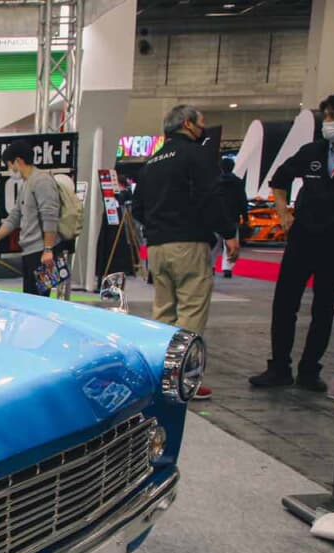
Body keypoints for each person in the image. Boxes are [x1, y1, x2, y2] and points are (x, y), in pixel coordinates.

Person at [250, 91, 334, 392]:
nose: (327, 122)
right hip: (303, 238)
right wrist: (283, 213)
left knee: (324, 310)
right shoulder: (313, 151)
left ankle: (310, 369)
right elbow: (279, 180)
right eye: (325, 116)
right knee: (284, 304)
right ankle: (279, 367)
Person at [132, 104, 238, 399]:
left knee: (163, 313)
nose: (203, 128)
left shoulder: (151, 162)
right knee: (191, 313)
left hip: (157, 247)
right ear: (188, 124)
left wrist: (158, 226)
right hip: (189, 243)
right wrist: (228, 232)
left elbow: (137, 208)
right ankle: (181, 379)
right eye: (201, 122)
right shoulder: (197, 156)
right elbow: (210, 197)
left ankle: (158, 374)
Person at [0, 140, 61, 297]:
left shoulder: (42, 181)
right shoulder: (26, 184)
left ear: (18, 161)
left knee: (40, 300)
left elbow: (50, 217)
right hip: (30, 252)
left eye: (10, 165)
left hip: (42, 254)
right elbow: (14, 218)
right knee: (29, 298)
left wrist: (48, 250)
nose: (10, 170)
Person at [215, 157, 248, 278]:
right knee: (230, 244)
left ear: (220, 167)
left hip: (217, 215)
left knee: (214, 244)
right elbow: (243, 200)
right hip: (233, 217)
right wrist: (245, 217)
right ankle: (227, 268)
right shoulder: (238, 182)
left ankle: (211, 266)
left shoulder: (215, 181)